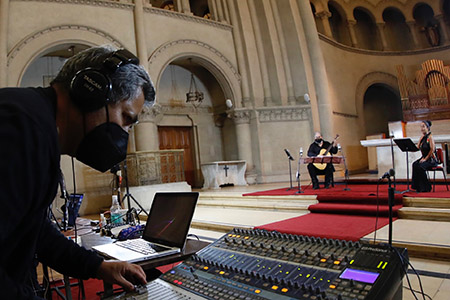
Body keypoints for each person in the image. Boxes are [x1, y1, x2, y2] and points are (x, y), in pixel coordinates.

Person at [0, 45, 156, 298]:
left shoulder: (35, 124)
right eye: (126, 119)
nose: (125, 134)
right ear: (90, 92)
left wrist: (98, 266)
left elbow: (35, 229)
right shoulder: (20, 127)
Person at [411, 120, 437, 193]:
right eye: (421, 127)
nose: (422, 129)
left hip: (431, 159)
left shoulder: (430, 137)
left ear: (427, 128)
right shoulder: (422, 138)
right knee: (415, 164)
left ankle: (426, 187)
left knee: (420, 166)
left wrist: (425, 159)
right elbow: (418, 147)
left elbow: (432, 149)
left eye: (423, 127)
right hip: (424, 158)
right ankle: (417, 187)